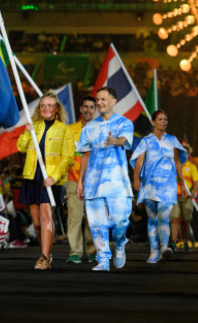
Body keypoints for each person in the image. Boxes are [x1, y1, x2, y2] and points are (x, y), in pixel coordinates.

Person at [76, 87, 134, 272]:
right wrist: (80, 181)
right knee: (96, 224)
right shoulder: (89, 128)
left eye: (103, 99)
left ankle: (119, 244)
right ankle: (103, 260)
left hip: (118, 185)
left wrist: (115, 141)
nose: (99, 103)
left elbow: (124, 140)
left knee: (120, 222)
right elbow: (85, 155)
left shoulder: (125, 123)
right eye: (97, 100)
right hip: (93, 184)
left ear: (113, 101)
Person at [17, 91, 74, 270]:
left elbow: (68, 158)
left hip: (49, 180)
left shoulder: (65, 129)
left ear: (56, 109)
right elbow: (20, 147)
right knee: (36, 223)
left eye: (50, 105)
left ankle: (43, 258)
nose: (46, 109)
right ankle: (46, 250)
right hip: (31, 177)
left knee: (45, 215)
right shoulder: (34, 126)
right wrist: (27, 133)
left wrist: (54, 177)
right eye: (43, 106)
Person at [131, 110, 188, 263]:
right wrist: (136, 177)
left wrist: (182, 184)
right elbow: (139, 161)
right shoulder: (146, 141)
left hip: (168, 185)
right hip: (150, 185)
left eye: (166, 119)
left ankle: (164, 247)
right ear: (153, 122)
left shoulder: (172, 140)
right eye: (160, 119)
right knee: (152, 219)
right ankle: (154, 251)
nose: (164, 122)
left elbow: (177, 162)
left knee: (164, 216)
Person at [65, 95, 97, 264]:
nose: (88, 110)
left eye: (91, 107)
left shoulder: (101, 130)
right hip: (73, 179)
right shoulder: (70, 130)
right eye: (85, 106)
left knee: (93, 218)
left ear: (95, 110)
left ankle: (92, 251)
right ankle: (75, 252)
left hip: (94, 182)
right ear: (80, 109)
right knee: (75, 217)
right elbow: (66, 156)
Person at [170, 143, 198, 251]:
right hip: (174, 197)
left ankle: (185, 241)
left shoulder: (192, 167)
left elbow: (196, 183)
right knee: (175, 219)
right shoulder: (172, 166)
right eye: (182, 151)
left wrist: (194, 193)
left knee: (186, 220)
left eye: (186, 152)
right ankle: (173, 242)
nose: (184, 154)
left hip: (187, 197)